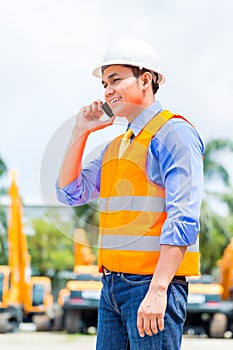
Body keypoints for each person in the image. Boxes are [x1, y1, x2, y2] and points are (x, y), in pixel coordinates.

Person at [56, 37, 204, 349]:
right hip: (111, 286)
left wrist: (159, 290)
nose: (107, 91)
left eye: (116, 79)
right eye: (104, 84)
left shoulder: (174, 133)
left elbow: (184, 217)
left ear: (146, 79)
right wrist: (80, 130)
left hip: (151, 286)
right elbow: (69, 192)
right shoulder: (117, 146)